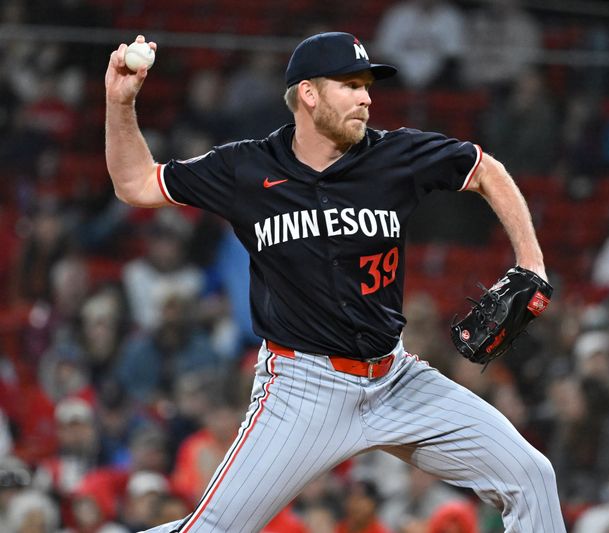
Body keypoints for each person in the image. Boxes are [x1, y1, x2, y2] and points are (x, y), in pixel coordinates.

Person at [105, 32, 564, 533]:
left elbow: (483, 169)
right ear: (309, 93)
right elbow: (136, 184)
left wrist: (531, 261)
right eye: (350, 85)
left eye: (367, 86)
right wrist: (120, 103)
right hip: (304, 390)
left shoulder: (394, 156)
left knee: (532, 476)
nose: (366, 97)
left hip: (396, 379)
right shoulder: (246, 167)